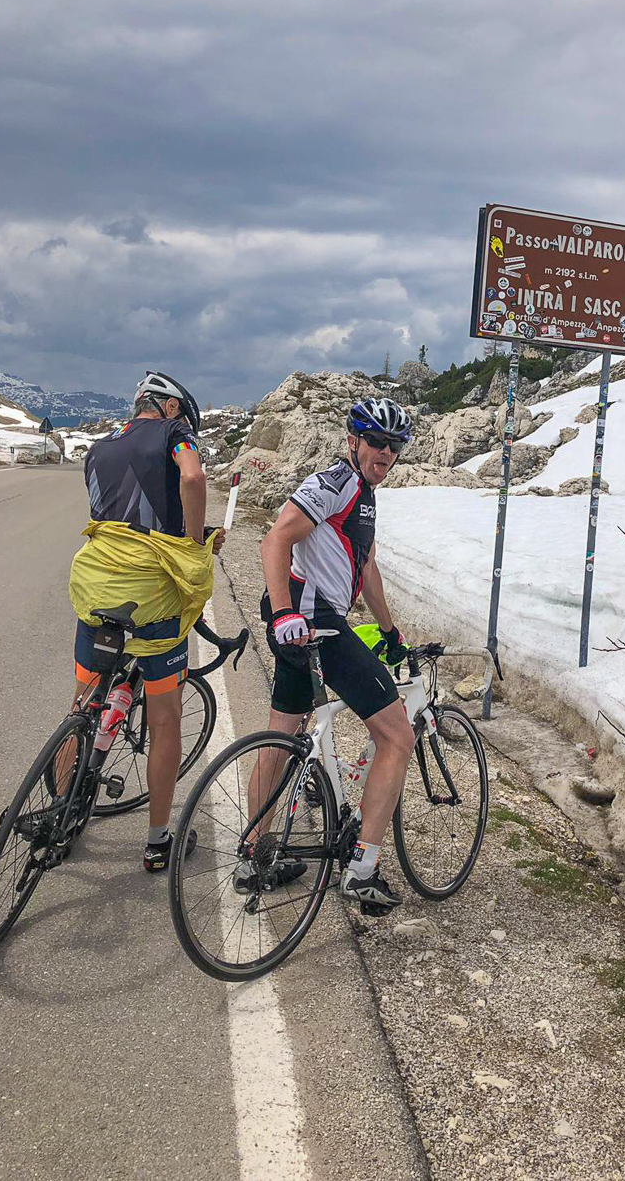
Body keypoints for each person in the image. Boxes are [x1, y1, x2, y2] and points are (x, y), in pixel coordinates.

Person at [245, 396, 415, 914]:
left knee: (282, 733)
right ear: (353, 441)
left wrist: (390, 632)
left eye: (395, 445)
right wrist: (281, 614)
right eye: (376, 442)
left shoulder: (364, 495)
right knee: (398, 736)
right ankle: (363, 869)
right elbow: (275, 540)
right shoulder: (334, 483)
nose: (385, 452)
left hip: (308, 625)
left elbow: (365, 570)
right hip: (311, 622)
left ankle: (254, 857)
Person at [67, 371, 222, 871]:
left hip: (96, 586)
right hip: (150, 599)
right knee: (165, 719)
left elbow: (116, 515)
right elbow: (193, 478)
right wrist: (194, 544)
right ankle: (158, 841)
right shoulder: (174, 435)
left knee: (80, 705)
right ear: (171, 408)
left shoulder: (98, 446)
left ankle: (59, 810)